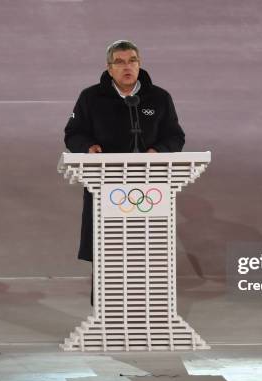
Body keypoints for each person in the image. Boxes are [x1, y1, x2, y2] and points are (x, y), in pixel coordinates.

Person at [64, 40, 186, 304]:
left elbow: (176, 137)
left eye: (132, 60)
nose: (127, 66)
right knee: (108, 250)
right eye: (119, 62)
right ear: (109, 69)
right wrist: (88, 148)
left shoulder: (160, 98)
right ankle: (107, 314)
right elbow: (72, 134)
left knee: (146, 252)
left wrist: (158, 151)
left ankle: (148, 308)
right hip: (106, 186)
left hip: (150, 188)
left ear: (140, 64)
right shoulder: (91, 98)